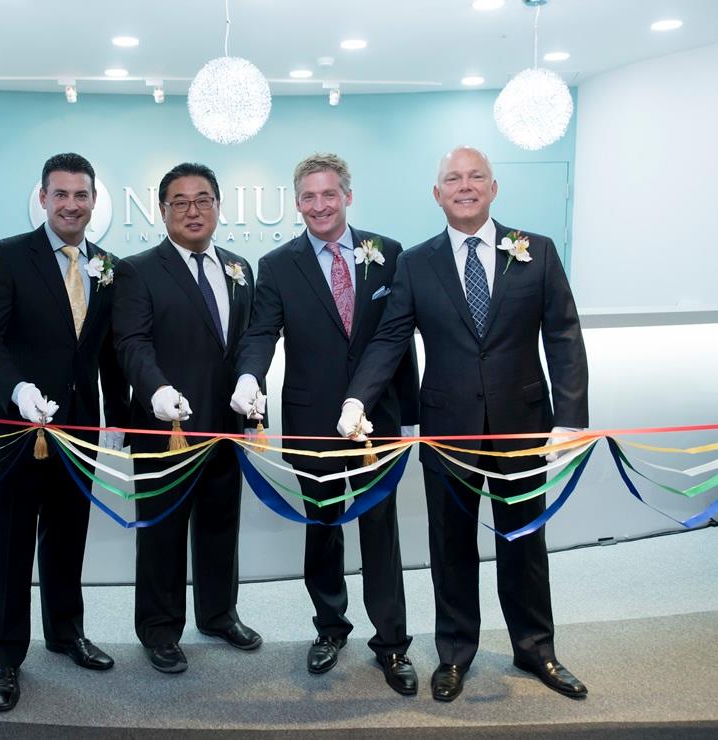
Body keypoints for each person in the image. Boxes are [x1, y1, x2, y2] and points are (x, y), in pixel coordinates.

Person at [338, 146, 589, 702]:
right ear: (438, 194)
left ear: (494, 188)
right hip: (448, 430)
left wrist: (570, 419)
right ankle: (454, 652)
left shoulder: (538, 251)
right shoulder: (415, 262)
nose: (465, 186)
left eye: (476, 176)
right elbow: (390, 338)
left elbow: (564, 336)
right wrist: (358, 399)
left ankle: (536, 649)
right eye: (453, 178)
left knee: (526, 543)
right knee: (450, 546)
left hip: (523, 427)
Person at [233, 153, 420, 696]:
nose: (319, 206)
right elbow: (261, 334)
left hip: (375, 421)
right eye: (309, 197)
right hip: (312, 421)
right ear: (297, 203)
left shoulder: (388, 253)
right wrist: (248, 377)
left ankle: (392, 643)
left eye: (329, 194)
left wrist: (408, 414)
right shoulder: (277, 265)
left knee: (381, 532)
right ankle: (330, 629)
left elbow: (399, 340)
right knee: (323, 529)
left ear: (347, 196)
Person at [0, 152, 129, 712]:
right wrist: (17, 389)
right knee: (10, 543)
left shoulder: (108, 266)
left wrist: (116, 416)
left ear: (94, 201)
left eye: (81, 195)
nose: (71, 205)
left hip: (79, 431)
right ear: (42, 198)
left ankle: (66, 633)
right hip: (16, 429)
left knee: (67, 537)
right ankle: (4, 656)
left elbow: (109, 352)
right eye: (60, 194)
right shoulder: (5, 256)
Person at [111, 162, 261, 674]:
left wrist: (252, 386)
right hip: (165, 429)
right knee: (163, 534)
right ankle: (159, 629)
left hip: (224, 426)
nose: (192, 211)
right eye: (180, 202)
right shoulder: (138, 270)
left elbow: (248, 342)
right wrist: (154, 389)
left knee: (221, 526)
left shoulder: (240, 267)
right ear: (163, 210)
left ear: (218, 206)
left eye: (203, 200)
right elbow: (131, 342)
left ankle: (219, 614)